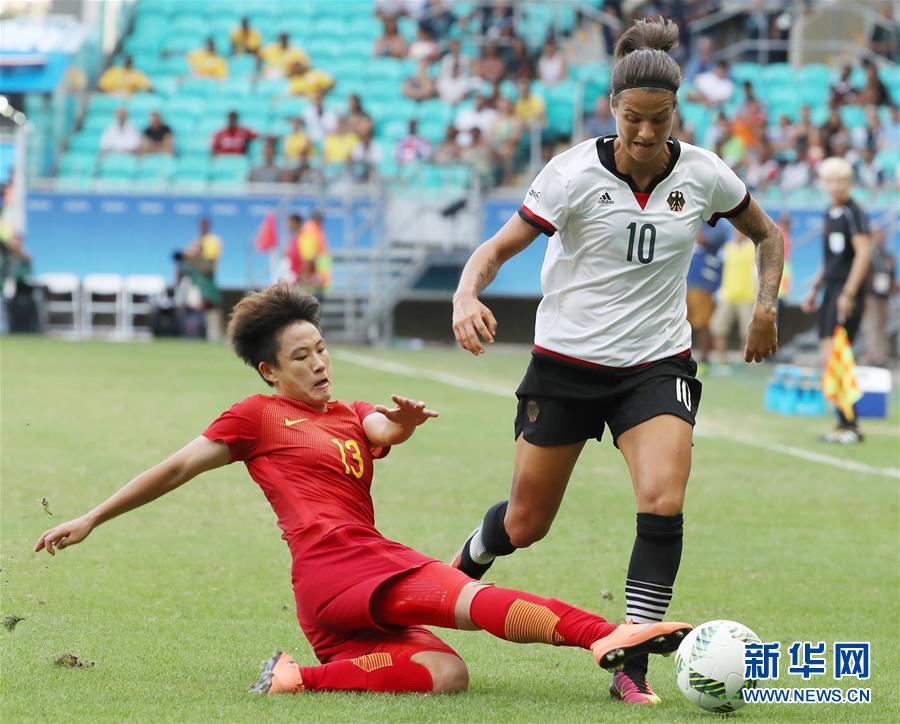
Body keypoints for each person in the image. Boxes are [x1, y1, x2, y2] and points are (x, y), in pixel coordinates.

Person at [34, 284, 692, 697]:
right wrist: (92, 517)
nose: (319, 363)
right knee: (472, 598)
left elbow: (380, 426)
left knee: (447, 675)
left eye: (321, 349)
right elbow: (176, 468)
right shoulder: (255, 418)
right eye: (300, 357)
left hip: (351, 578)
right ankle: (606, 636)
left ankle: (298, 677)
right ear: (269, 371)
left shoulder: (348, 413)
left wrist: (402, 424)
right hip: (336, 567)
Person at [448, 18, 783, 706]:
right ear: (613, 109)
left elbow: (768, 235)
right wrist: (464, 295)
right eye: (633, 119)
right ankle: (463, 565)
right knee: (526, 523)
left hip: (655, 366)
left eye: (659, 119)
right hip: (566, 365)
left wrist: (765, 308)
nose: (645, 132)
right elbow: (495, 249)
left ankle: (631, 663)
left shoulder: (703, 173)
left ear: (676, 112)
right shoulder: (570, 174)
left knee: (663, 501)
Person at [801, 157, 872, 444]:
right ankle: (842, 422)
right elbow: (830, 259)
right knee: (828, 357)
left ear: (849, 183)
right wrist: (815, 287)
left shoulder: (854, 213)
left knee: (839, 355)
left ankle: (850, 424)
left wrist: (849, 293)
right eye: (830, 181)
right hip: (831, 290)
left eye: (840, 181)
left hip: (846, 291)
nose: (835, 186)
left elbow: (863, 254)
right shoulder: (829, 213)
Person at [685, 222, 729, 370]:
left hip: (704, 283)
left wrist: (695, 222)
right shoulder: (702, 222)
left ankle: (704, 360)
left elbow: (702, 240)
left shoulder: (719, 226)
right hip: (690, 281)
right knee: (685, 323)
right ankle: (685, 359)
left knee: (703, 325)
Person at [709, 232, 757, 364]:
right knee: (717, 328)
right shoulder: (727, 248)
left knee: (748, 333)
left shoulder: (753, 247)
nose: (737, 233)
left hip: (747, 297)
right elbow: (718, 269)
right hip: (727, 296)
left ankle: (745, 361)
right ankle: (722, 361)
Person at [179, 218, 223, 342]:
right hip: (198, 285)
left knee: (212, 309)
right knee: (196, 308)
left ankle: (214, 335)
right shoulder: (196, 240)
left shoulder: (213, 240)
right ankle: (196, 333)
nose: (202, 227)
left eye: (204, 225)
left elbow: (213, 262)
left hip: (208, 282)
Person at [862, 228, 896, 367]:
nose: (880, 239)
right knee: (872, 327)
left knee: (882, 327)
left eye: (881, 237)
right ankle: (874, 357)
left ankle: (881, 357)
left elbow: (892, 277)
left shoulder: (888, 257)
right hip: (871, 296)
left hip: (884, 297)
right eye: (877, 237)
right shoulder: (868, 255)